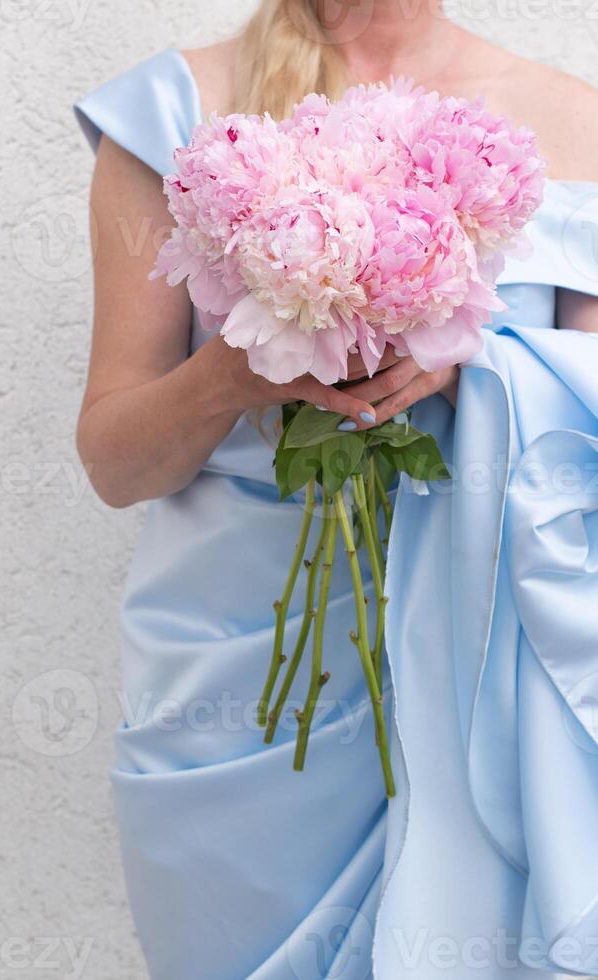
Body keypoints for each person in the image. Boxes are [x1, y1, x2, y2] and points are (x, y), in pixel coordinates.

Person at [74, 2, 598, 976]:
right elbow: (115, 461)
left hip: (479, 674)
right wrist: (236, 370)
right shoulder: (175, 111)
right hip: (236, 701)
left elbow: (585, 448)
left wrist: (473, 359)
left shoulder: (573, 126)